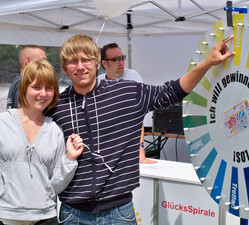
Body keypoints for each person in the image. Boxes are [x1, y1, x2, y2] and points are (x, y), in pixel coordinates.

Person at [45, 33, 234, 224]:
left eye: (86, 60)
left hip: (117, 213)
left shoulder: (127, 93)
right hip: (72, 214)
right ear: (64, 68)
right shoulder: (55, 105)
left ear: (96, 63)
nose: (79, 66)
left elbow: (171, 92)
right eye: (72, 61)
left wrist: (208, 62)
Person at [0, 59, 84, 225]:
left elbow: (56, 184)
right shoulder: (3, 123)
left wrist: (70, 159)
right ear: (24, 88)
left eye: (49, 88)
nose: (43, 94)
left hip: (45, 217)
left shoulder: (55, 131)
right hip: (6, 216)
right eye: (36, 87)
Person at [99, 42, 156, 164]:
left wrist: (141, 152)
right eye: (116, 59)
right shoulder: (98, 82)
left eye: (122, 58)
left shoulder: (132, 77)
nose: (121, 62)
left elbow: (136, 116)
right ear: (104, 63)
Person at [6, 45, 46, 109]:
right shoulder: (22, 82)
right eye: (42, 60)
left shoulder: (18, 81)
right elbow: (22, 114)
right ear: (28, 61)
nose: (45, 64)